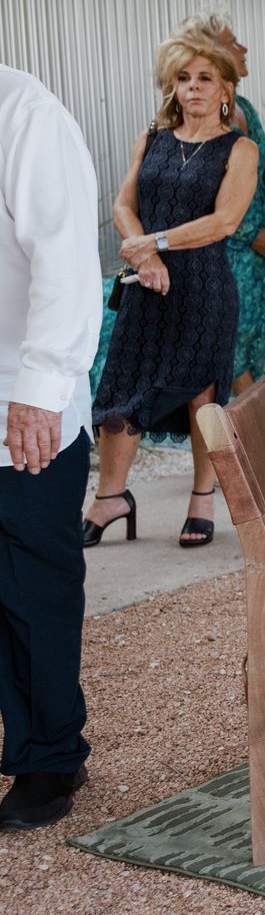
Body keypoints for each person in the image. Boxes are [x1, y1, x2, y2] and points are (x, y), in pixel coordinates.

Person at [86, 39, 258, 550]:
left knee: (199, 395)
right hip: (147, 286)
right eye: (184, 79)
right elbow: (122, 205)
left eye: (205, 78)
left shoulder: (239, 150)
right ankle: (110, 497)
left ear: (225, 88)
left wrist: (156, 241)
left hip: (204, 288)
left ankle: (203, 498)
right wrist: (147, 257)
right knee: (121, 390)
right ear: (173, 87)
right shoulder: (152, 138)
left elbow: (225, 221)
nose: (193, 88)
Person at [0, 65, 101, 832]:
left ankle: (49, 752)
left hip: (22, 398)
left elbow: (65, 261)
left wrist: (39, 383)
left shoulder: (25, 113)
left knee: (32, 585)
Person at [173, 13, 265, 393]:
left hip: (261, 256)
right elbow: (196, 196)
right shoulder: (194, 118)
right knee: (230, 355)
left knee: (253, 352)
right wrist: (251, 235)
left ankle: (257, 445)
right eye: (233, 42)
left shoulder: (245, 107)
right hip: (225, 257)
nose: (242, 49)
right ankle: (254, 444)